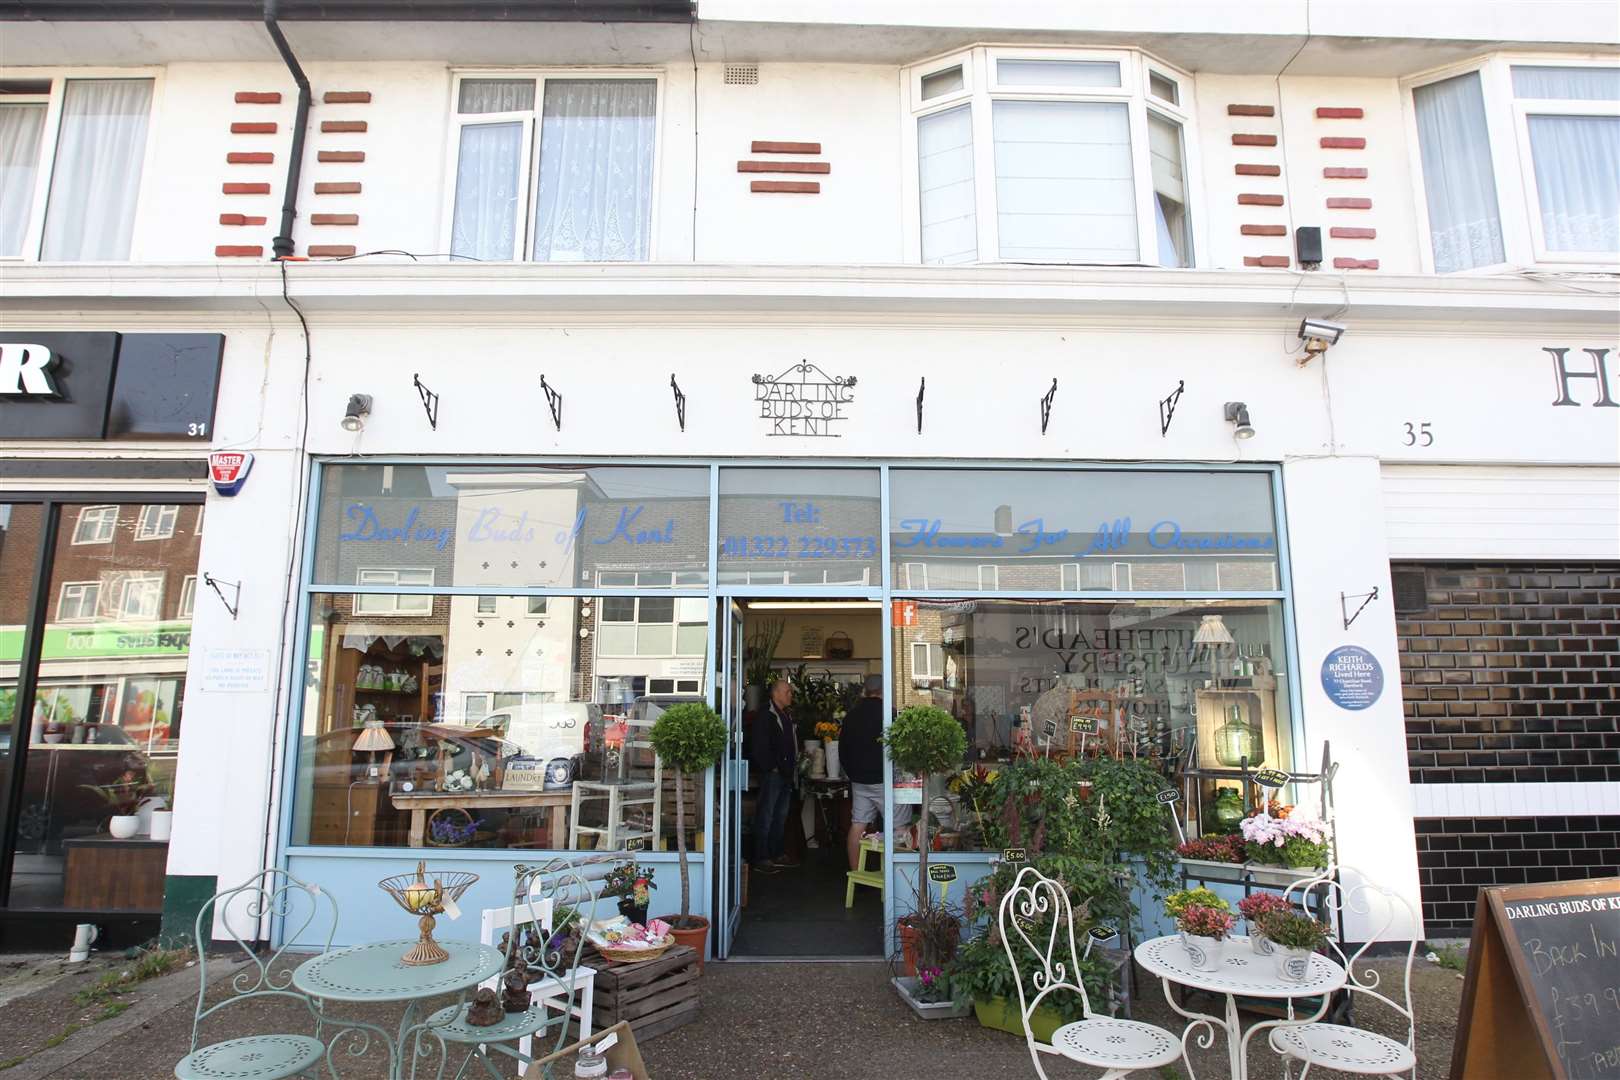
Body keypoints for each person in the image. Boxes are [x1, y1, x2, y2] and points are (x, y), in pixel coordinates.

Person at [749, 679, 798, 873]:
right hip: (773, 774)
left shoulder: (786, 715)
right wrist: (772, 768)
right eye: (787, 692)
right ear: (775, 693)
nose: (790, 695)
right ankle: (762, 857)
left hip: (785, 774)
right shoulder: (766, 715)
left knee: (780, 815)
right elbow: (759, 746)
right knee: (766, 815)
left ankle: (776, 853)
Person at [840, 674, 888, 871]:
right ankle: (896, 878)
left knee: (858, 825)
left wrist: (852, 774)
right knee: (898, 827)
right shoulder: (888, 714)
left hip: (859, 781)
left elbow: (843, 749)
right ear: (883, 691)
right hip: (883, 779)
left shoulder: (852, 715)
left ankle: (856, 873)